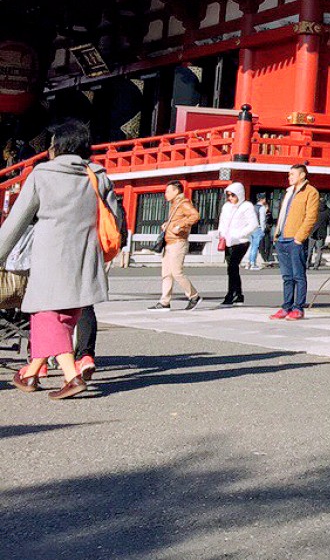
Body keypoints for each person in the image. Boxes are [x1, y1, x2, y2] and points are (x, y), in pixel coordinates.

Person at [0, 119, 126, 399]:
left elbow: (16, 221)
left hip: (51, 258)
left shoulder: (42, 175)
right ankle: (30, 373)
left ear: (56, 146)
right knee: (67, 315)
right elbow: (115, 217)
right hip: (85, 256)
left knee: (45, 315)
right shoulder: (98, 175)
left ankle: (72, 377)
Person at [270, 164, 319, 320]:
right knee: (286, 276)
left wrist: (299, 238)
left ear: (302, 175)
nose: (289, 177)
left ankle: (298, 307)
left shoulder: (311, 192)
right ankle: (286, 306)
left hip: (295, 239)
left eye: (292, 174)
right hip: (282, 238)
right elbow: (283, 215)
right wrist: (276, 235)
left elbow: (311, 217)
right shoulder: (289, 192)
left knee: (298, 275)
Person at [150, 180, 202, 310]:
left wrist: (179, 226)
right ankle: (164, 302)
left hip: (178, 243)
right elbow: (177, 219)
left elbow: (195, 216)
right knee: (166, 273)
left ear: (176, 191)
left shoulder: (183, 203)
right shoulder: (175, 205)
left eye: (168, 191)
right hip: (169, 242)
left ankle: (194, 296)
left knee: (176, 272)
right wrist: (168, 225)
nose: (165, 194)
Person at [215, 182, 259, 306]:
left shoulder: (247, 206)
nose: (230, 198)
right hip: (227, 241)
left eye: (233, 195)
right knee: (232, 269)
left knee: (232, 266)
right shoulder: (226, 207)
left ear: (239, 194)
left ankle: (231, 295)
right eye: (228, 195)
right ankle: (238, 295)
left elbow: (253, 224)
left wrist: (241, 234)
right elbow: (222, 222)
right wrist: (221, 233)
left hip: (241, 242)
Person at [245, 192, 267, 270]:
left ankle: (248, 263)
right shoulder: (262, 208)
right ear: (263, 199)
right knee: (255, 246)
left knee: (251, 246)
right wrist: (263, 229)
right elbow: (262, 219)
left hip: (251, 228)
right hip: (258, 228)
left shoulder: (253, 207)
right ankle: (253, 263)